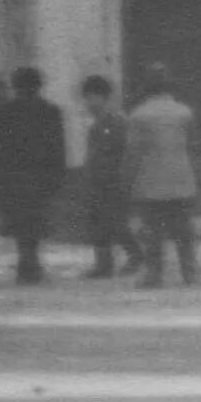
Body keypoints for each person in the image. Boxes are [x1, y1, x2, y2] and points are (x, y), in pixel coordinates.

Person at [0, 67, 69, 285]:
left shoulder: (5, 112)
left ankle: (27, 262)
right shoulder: (51, 111)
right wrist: (58, 175)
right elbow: (58, 146)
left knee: (19, 220)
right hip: (41, 175)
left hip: (12, 176)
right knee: (35, 219)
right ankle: (30, 262)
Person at [127, 65, 201, 286]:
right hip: (181, 177)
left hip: (151, 180)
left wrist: (129, 181)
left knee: (153, 231)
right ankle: (190, 273)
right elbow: (193, 144)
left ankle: (154, 274)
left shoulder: (139, 115)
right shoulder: (184, 112)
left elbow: (133, 152)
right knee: (184, 230)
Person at [75, 76, 140, 279]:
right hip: (97, 180)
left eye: (91, 98)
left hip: (112, 180)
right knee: (98, 222)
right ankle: (104, 264)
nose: (88, 103)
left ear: (102, 98)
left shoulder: (116, 121)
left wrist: (123, 179)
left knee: (115, 223)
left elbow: (125, 153)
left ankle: (136, 255)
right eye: (86, 98)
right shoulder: (99, 123)